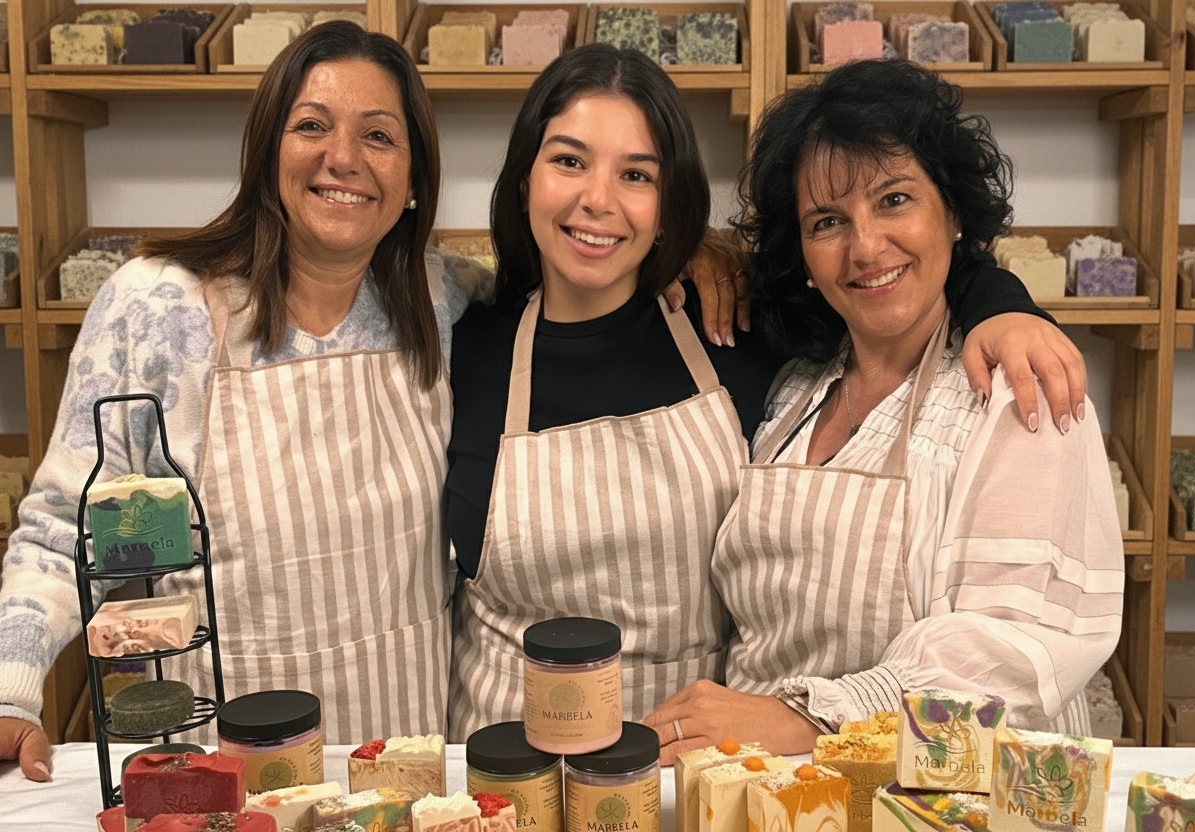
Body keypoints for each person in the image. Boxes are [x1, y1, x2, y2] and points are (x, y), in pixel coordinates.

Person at [444, 45, 1091, 741]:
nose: (597, 199)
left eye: (636, 174)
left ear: (670, 205)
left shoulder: (736, 326)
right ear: (523, 181)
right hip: (509, 763)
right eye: (568, 160)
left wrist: (1000, 302)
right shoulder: (460, 338)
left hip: (707, 767)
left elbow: (899, 278)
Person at [0, 21, 489, 776]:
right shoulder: (157, 307)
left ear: (416, 176)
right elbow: (69, 524)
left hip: (398, 765)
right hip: (207, 775)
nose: (344, 159)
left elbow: (585, 278)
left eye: (380, 136)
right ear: (267, 154)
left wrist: (695, 248)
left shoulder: (450, 299)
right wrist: (11, 695)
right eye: (312, 126)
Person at [644, 59, 1125, 763]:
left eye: (894, 200)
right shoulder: (791, 391)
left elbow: (1013, 654)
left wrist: (807, 722)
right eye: (828, 221)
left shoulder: (1020, 387)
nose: (865, 248)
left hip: (946, 797)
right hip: (771, 787)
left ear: (952, 212)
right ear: (803, 252)